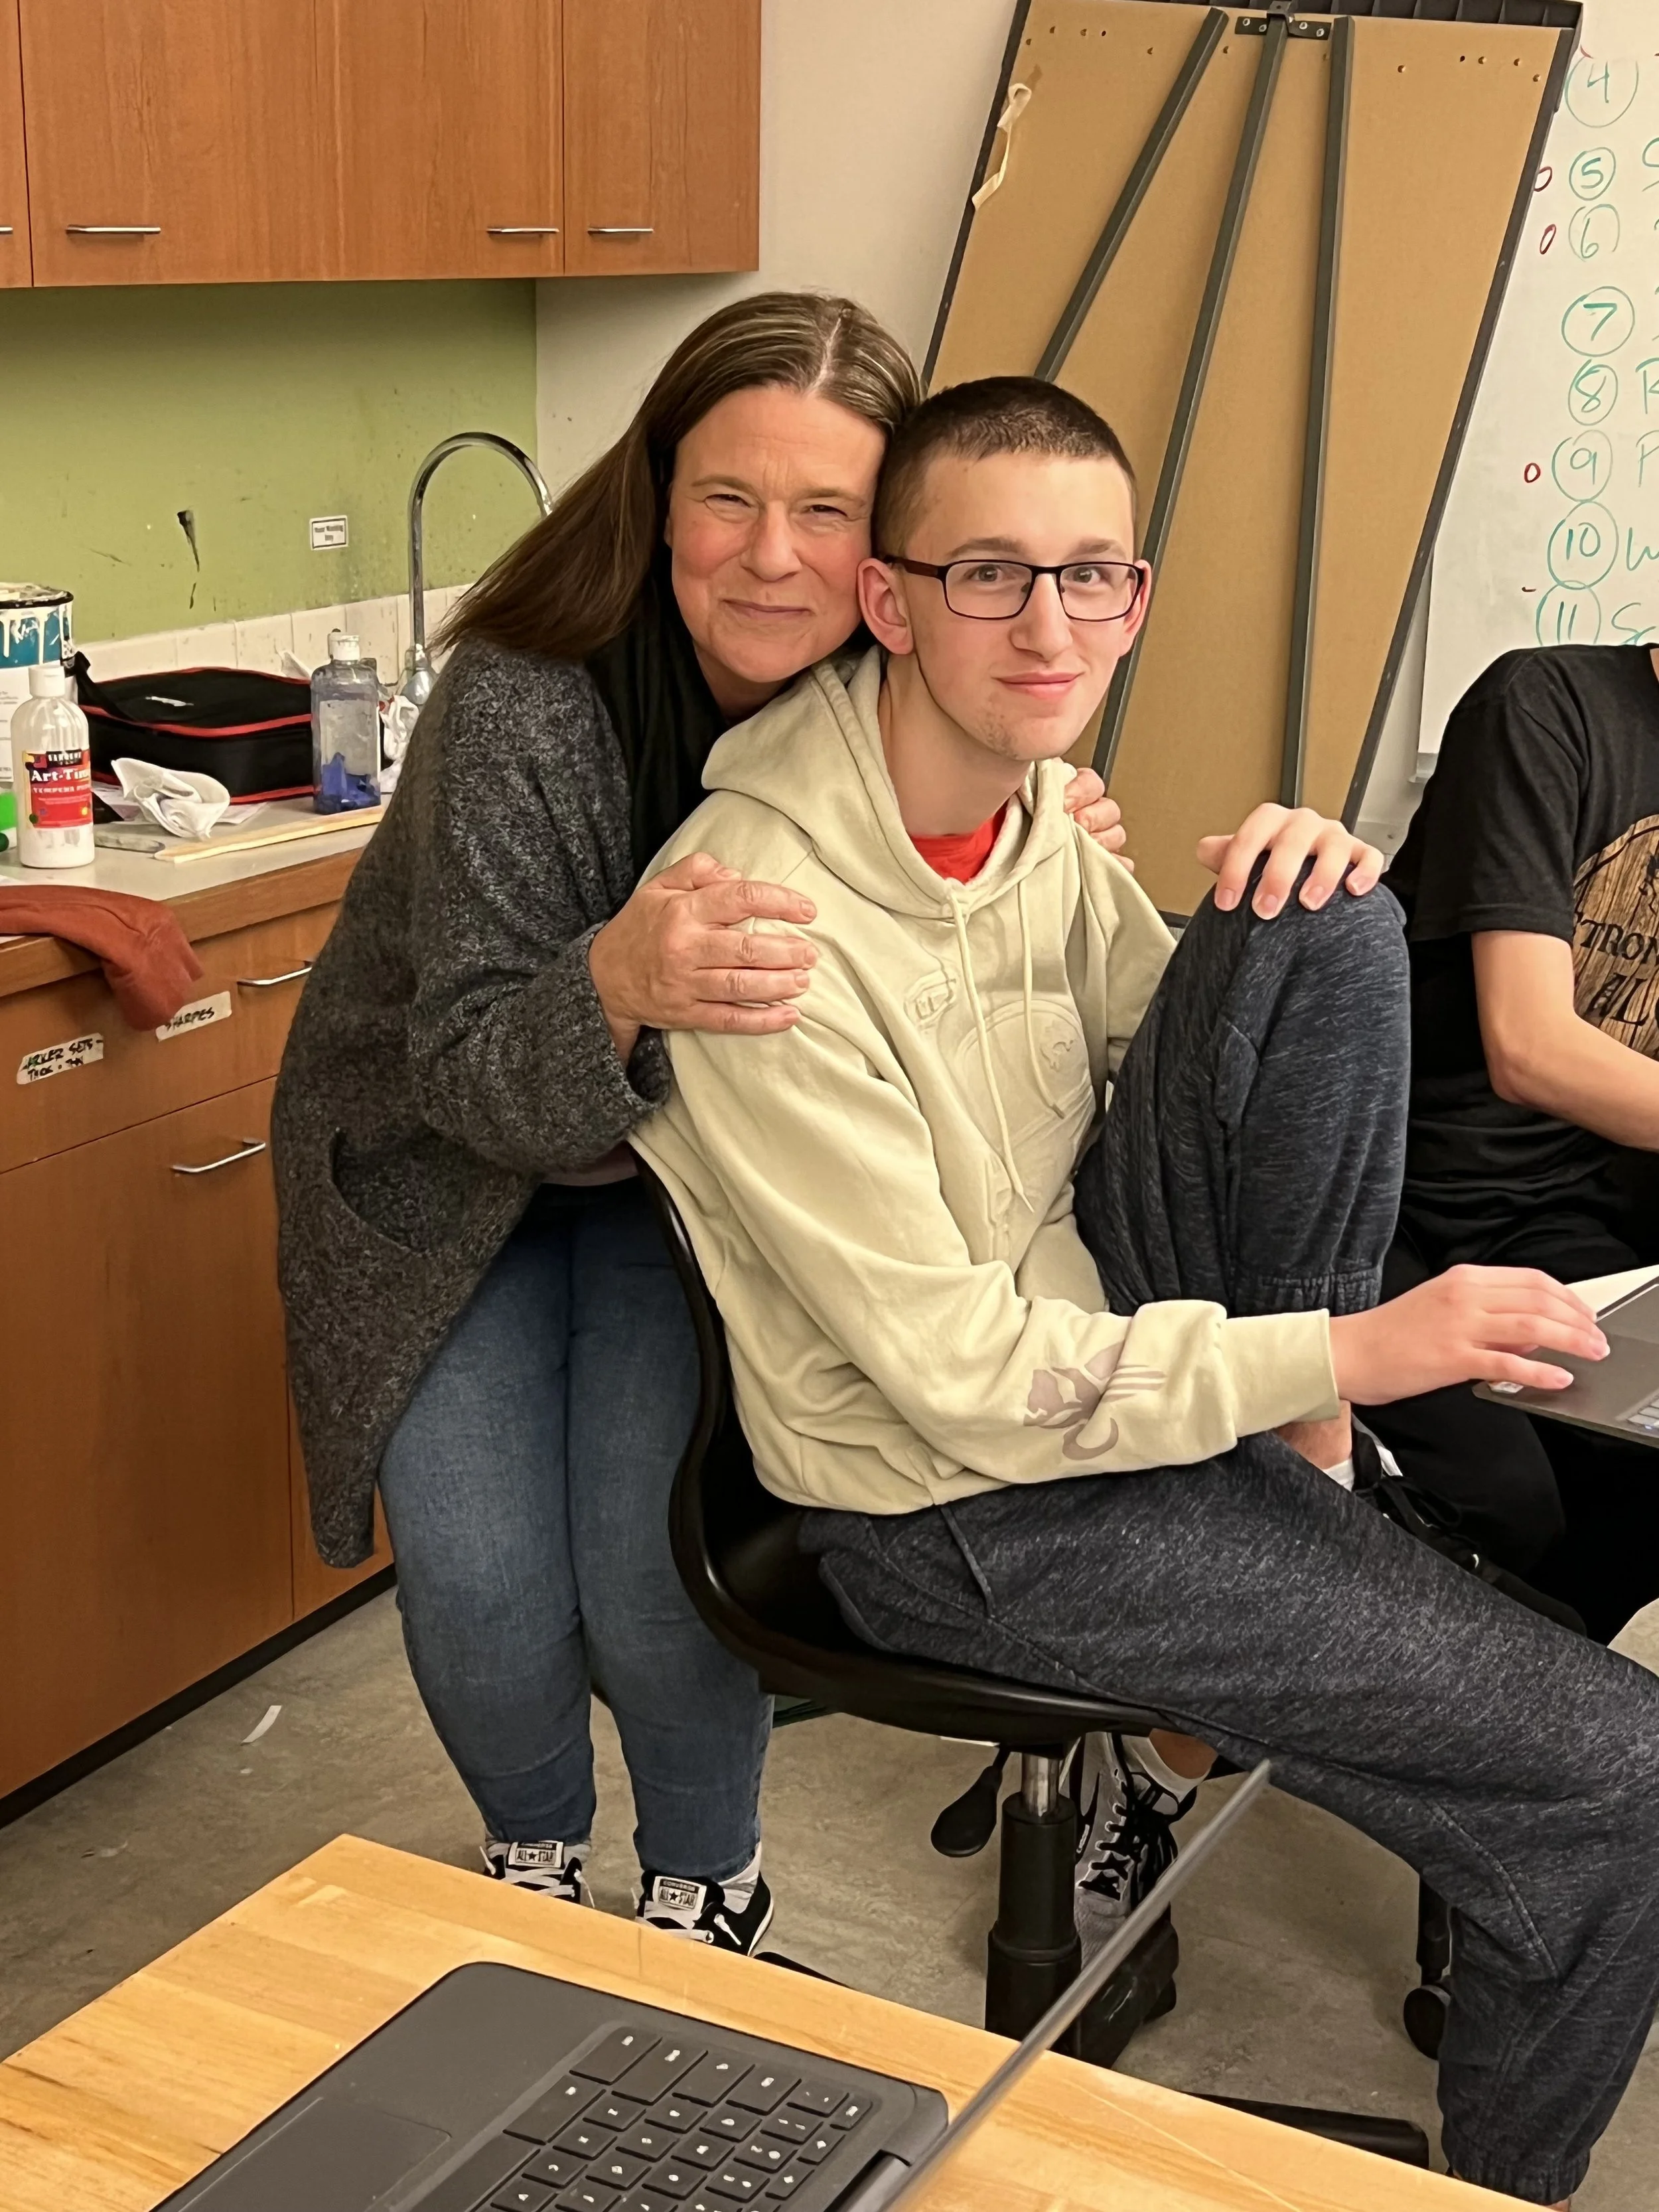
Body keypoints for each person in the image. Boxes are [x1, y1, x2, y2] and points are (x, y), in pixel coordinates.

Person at [630, 376, 1659, 2207]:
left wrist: (1296, 896)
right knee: (1620, 1773)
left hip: (1125, 1372)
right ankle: (1512, 2176)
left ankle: (1317, 1478)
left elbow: (1166, 1043)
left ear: (1138, 594)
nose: (1048, 628)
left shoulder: (1031, 817)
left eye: (1091, 577)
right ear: (891, 601)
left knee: (1325, 911)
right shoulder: (762, 921)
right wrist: (1352, 1340)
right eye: (991, 576)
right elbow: (956, 1377)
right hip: (956, 1505)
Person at [271, 291, 1180, 1952]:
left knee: (654, 1564)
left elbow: (1005, 864)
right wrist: (613, 977)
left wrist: (1052, 814)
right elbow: (470, 1069)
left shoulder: (913, 667)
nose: (773, 557)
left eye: (827, 511)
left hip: (689, 1193)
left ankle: (708, 1879)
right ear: (657, 494)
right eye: (726, 498)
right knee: (480, 1581)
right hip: (451, 1162)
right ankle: (532, 1857)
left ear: (891, 561)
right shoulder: (523, 702)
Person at [1364, 643, 1659, 1642]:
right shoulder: (1546, 704)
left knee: (1643, 1475)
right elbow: (1530, 1048)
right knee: (1499, 1500)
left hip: (1564, 1215)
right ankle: (1185, 1744)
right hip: (1383, 1197)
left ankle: (1520, 1720)